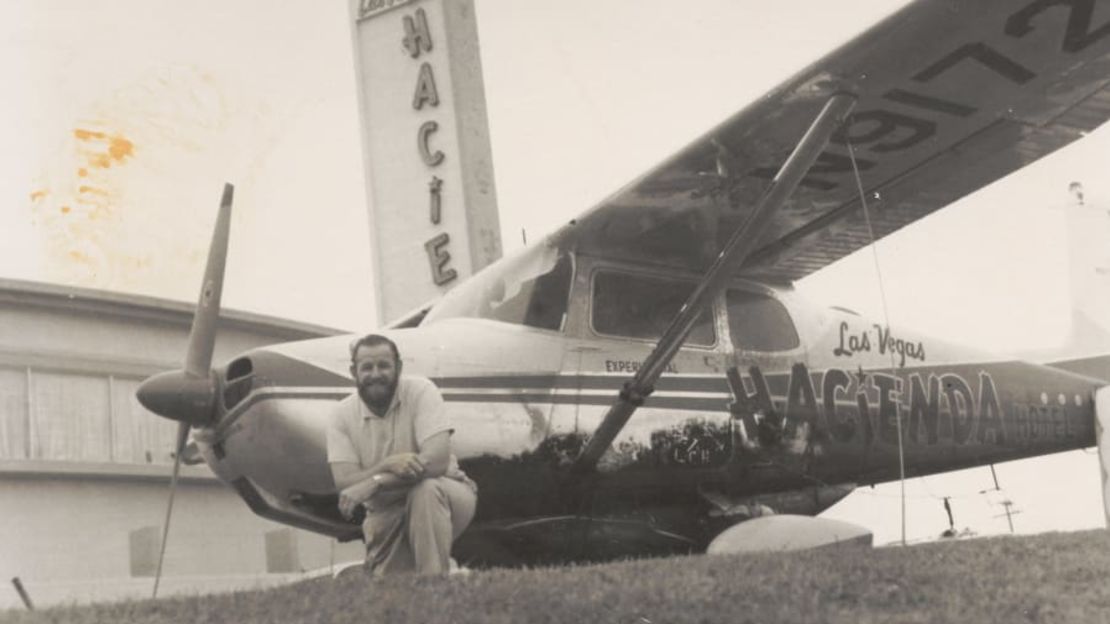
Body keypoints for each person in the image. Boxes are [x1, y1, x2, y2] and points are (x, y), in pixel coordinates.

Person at [326, 333, 477, 575]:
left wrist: (376, 481)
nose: (376, 374)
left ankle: (434, 584)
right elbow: (344, 481)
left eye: (384, 365)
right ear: (354, 373)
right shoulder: (340, 415)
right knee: (395, 590)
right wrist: (388, 464)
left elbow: (437, 461)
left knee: (425, 490)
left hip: (446, 494)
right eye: (367, 367)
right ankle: (444, 573)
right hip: (385, 512)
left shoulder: (421, 390)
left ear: (399, 367)